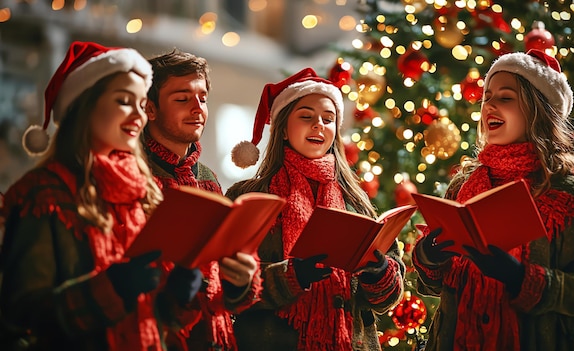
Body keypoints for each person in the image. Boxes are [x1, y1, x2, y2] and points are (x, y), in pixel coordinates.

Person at [0, 41, 204, 351]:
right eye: (124, 101)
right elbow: (20, 316)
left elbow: (153, 319)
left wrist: (174, 296)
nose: (139, 116)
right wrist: (109, 289)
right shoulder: (44, 194)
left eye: (140, 104)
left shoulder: (142, 191)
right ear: (84, 104)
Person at [411, 49, 574, 351]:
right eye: (487, 97)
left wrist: (521, 278)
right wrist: (430, 255)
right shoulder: (463, 184)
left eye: (505, 98)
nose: (490, 105)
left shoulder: (567, 191)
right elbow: (430, 285)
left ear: (538, 110)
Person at [226, 67, 406, 351]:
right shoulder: (249, 197)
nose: (319, 125)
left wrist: (379, 271)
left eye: (328, 119)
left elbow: (388, 299)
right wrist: (290, 276)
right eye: (306, 117)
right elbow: (226, 284)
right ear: (283, 129)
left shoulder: (357, 201)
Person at [143, 49, 261, 351]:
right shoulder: (137, 173)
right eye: (182, 99)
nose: (197, 109)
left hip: (215, 337)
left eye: (203, 99)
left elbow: (223, 274)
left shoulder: (206, 175)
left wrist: (241, 280)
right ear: (150, 108)